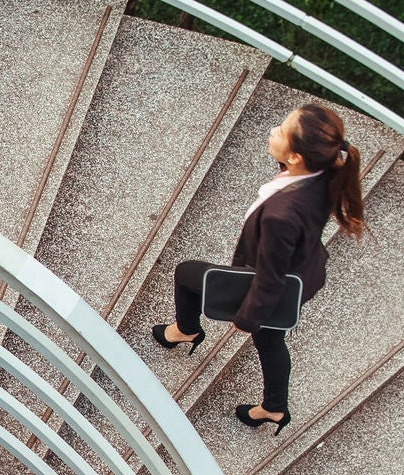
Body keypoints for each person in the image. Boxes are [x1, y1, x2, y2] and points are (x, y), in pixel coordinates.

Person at [151, 102, 367, 436]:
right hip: (303, 271)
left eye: (281, 130)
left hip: (276, 284)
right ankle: (274, 409)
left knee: (186, 274)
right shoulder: (323, 174)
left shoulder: (283, 214)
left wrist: (245, 318)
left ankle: (187, 330)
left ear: (296, 157)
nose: (272, 131)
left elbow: (268, 279)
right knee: (270, 341)